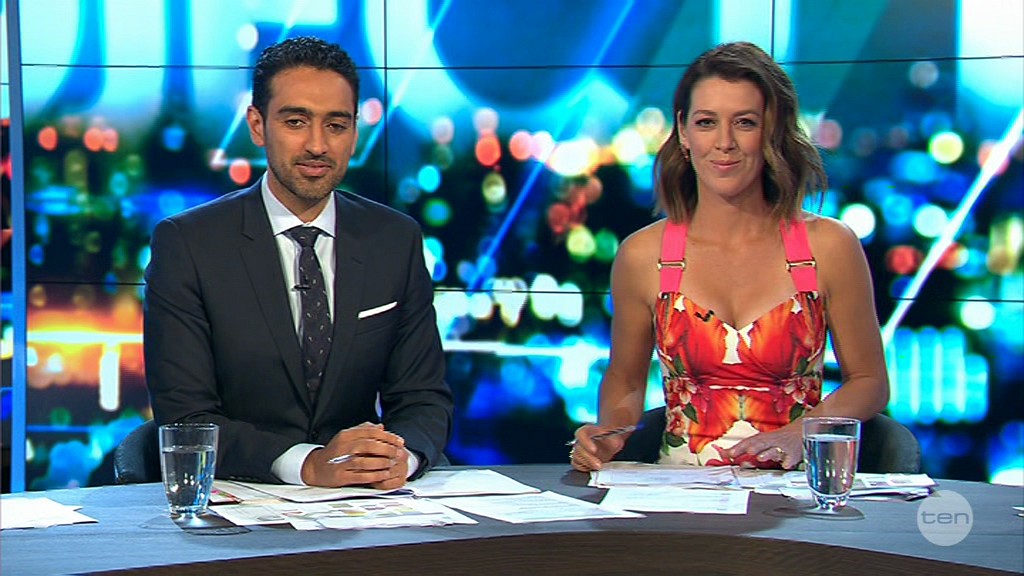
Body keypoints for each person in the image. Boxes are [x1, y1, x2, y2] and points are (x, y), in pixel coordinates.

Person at [144, 36, 452, 489]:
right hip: (244, 498)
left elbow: (422, 397)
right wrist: (307, 465)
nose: (317, 145)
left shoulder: (393, 239)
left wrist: (398, 458)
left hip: (368, 504)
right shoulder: (189, 244)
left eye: (336, 125)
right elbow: (186, 416)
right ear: (257, 125)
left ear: (354, 133)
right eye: (295, 122)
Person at [571, 41, 889, 472]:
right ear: (683, 132)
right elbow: (625, 380)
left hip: (794, 488)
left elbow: (869, 382)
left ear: (771, 131)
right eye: (706, 123)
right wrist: (610, 433)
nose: (724, 143)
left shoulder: (829, 246)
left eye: (744, 123)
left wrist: (799, 433)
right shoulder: (643, 255)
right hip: (678, 495)